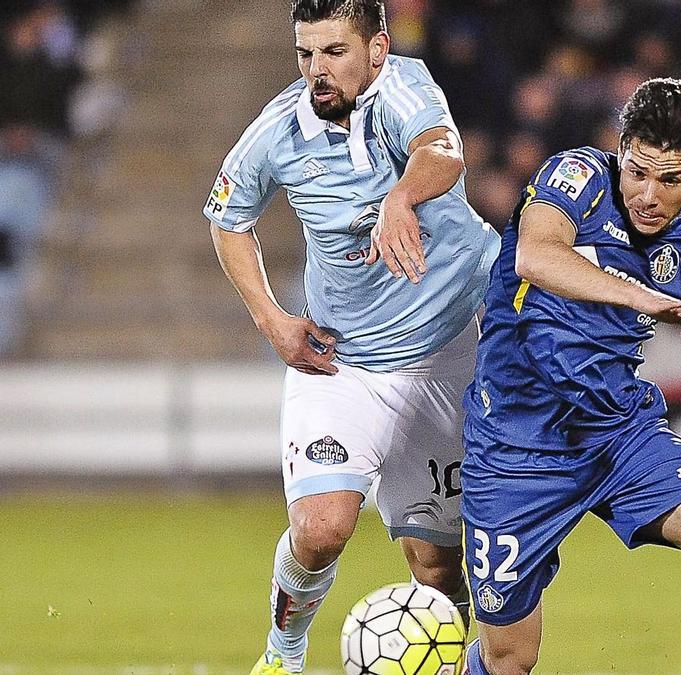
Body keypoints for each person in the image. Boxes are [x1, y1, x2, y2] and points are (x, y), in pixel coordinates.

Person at [460, 78, 681, 675]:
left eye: (670, 180)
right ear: (621, 148)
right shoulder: (577, 179)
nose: (647, 194)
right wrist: (645, 299)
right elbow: (536, 256)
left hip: (618, 437)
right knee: (510, 661)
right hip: (514, 448)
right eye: (638, 172)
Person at [204, 1, 499, 672]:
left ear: (376, 49)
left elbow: (443, 152)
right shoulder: (279, 129)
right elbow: (228, 220)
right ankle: (282, 654)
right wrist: (271, 318)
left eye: (334, 51)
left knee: (437, 565)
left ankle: (448, 658)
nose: (317, 70)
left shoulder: (403, 85)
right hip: (345, 364)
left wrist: (401, 198)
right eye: (306, 54)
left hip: (453, 351)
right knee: (320, 528)